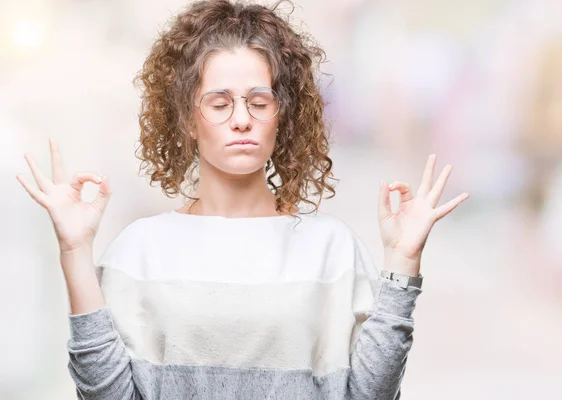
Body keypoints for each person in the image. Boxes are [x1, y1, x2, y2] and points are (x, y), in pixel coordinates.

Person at [16, 0, 469, 398]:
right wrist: (74, 251)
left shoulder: (332, 249)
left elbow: (372, 395)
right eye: (219, 103)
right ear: (188, 119)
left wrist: (402, 261)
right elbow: (105, 396)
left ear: (282, 115)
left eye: (258, 101)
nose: (241, 120)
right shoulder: (140, 250)